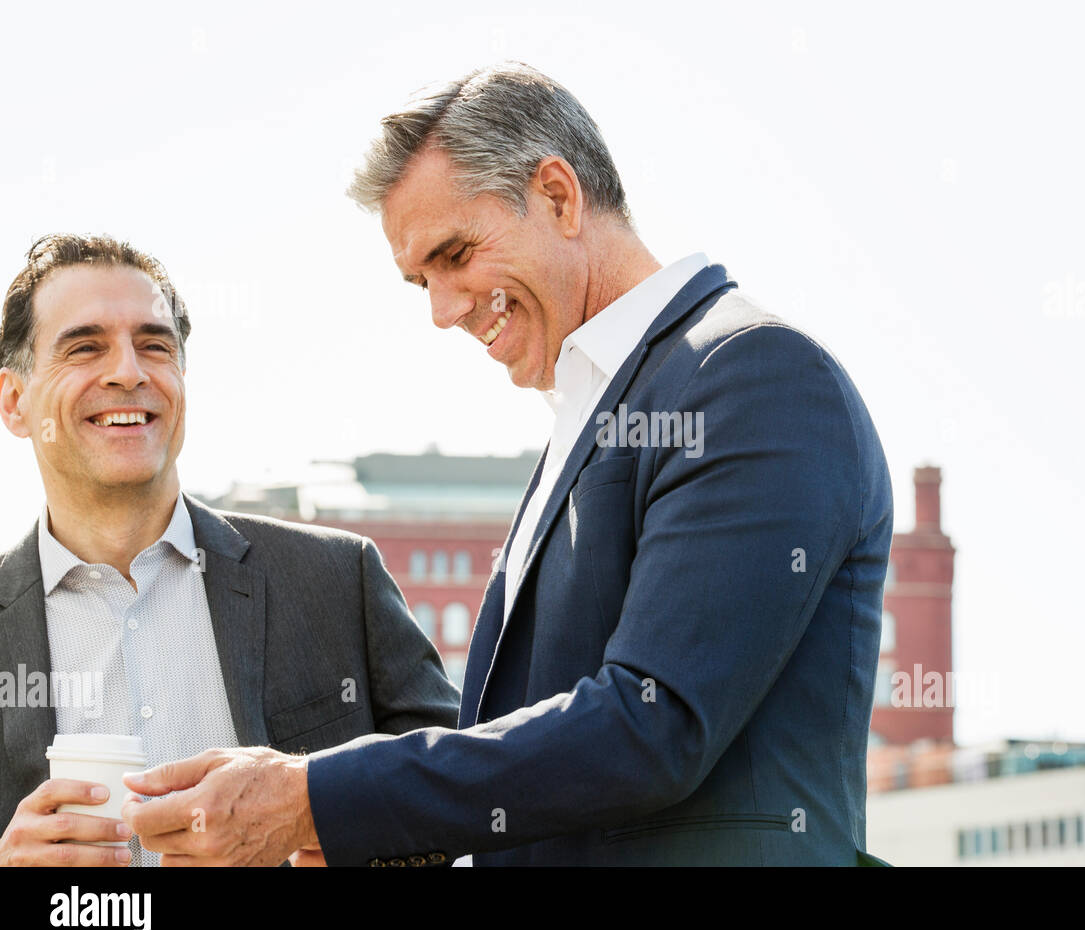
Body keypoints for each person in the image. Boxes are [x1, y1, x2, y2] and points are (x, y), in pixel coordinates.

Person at [123, 62, 893, 866]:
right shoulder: (595, 412)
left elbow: (651, 725)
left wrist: (316, 799)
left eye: (455, 255)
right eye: (421, 280)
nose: (443, 309)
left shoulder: (753, 377)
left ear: (559, 196)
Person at [0, 234, 460, 866]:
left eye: (154, 345)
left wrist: (332, 832)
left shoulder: (335, 580)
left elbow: (459, 790)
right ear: (15, 401)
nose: (129, 372)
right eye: (85, 347)